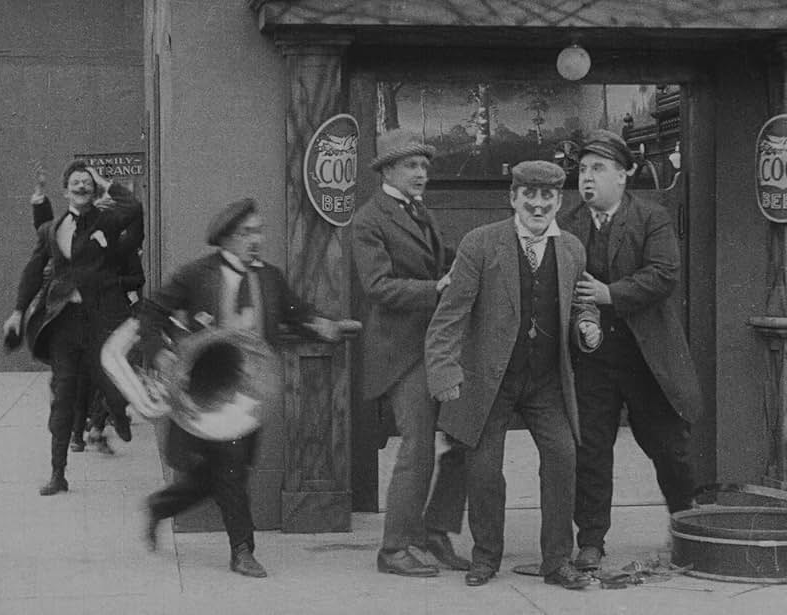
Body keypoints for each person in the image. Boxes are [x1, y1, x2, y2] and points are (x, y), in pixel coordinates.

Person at [143, 197, 346, 578]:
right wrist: (159, 353)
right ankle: (242, 550)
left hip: (247, 394)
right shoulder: (196, 274)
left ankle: (160, 506)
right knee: (231, 472)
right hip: (205, 391)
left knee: (220, 476)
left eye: (258, 231)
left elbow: (293, 310)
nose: (256, 239)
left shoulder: (269, 277)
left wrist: (318, 323)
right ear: (225, 238)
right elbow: (150, 311)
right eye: (246, 233)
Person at [425, 160, 602, 589]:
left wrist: (587, 326)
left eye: (547, 197)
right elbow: (450, 316)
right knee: (484, 469)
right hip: (489, 381)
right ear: (513, 198)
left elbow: (582, 304)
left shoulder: (573, 249)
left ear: (560, 201)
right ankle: (485, 558)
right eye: (530, 195)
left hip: (545, 381)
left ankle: (557, 562)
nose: (538, 205)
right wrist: (444, 370)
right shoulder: (481, 244)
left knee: (562, 459)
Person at [557, 129, 703, 571]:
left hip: (647, 359)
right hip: (592, 361)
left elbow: (663, 275)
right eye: (583, 170)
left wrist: (609, 294)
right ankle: (592, 543)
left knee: (669, 449)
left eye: (598, 169)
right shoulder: (568, 224)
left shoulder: (651, 217)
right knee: (592, 451)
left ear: (622, 176)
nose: (587, 179)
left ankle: (688, 531)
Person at [352, 129, 468, 578]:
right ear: (386, 171)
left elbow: (441, 262)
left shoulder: (420, 211)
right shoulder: (369, 220)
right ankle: (394, 548)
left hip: (436, 345)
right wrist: (435, 289)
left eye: (424, 165)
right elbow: (378, 288)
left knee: (462, 437)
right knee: (418, 447)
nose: (421, 172)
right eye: (411, 165)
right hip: (401, 352)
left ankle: (433, 532)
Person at [3, 160, 142, 495]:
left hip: (101, 319)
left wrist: (103, 181)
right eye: (76, 183)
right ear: (65, 191)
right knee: (64, 396)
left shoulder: (107, 220)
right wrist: (19, 311)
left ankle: (119, 416)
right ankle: (58, 474)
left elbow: (133, 206)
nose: (82, 187)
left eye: (87, 183)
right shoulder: (51, 230)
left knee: (109, 380)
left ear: (93, 190)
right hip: (65, 323)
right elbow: (34, 271)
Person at [29, 172, 146, 454]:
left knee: (103, 377)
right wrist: (40, 201)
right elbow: (48, 233)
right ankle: (81, 433)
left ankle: (99, 424)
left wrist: (112, 284)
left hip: (109, 314)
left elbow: (135, 272)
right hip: (76, 319)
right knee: (79, 382)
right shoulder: (74, 242)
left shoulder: (122, 245)